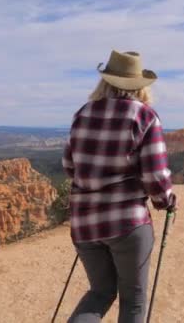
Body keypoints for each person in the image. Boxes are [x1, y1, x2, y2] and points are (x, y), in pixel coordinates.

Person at [62, 50, 177, 323]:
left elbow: (69, 166)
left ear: (105, 81)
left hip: (84, 223)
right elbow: (155, 177)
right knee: (134, 299)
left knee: (99, 293)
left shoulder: (83, 113)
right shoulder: (144, 116)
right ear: (139, 85)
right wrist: (166, 200)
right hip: (128, 224)